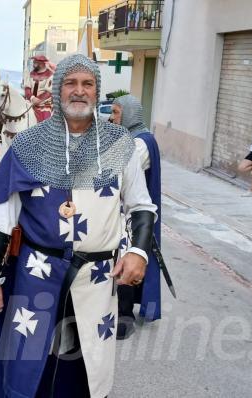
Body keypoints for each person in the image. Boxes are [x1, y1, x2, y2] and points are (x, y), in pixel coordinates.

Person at [0, 54, 158, 397]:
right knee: (30, 361)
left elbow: (141, 205)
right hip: (38, 272)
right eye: (71, 83)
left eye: (87, 84)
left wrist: (138, 252)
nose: (79, 91)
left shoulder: (120, 144)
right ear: (58, 91)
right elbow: (2, 218)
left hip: (97, 276)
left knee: (86, 361)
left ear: (96, 91)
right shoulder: (28, 145)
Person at [110, 94, 163, 339]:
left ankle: (124, 315)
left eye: (117, 112)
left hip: (133, 216)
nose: (112, 117)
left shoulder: (139, 144)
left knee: (127, 260)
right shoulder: (136, 139)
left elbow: (119, 175)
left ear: (129, 115)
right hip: (126, 212)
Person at [23, 54, 55, 122]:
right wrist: (32, 98)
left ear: (41, 63)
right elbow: (27, 88)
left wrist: (38, 100)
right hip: (30, 102)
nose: (33, 64)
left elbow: (48, 92)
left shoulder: (50, 75)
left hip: (44, 104)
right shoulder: (31, 74)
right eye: (34, 62)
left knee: (45, 120)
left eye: (35, 62)